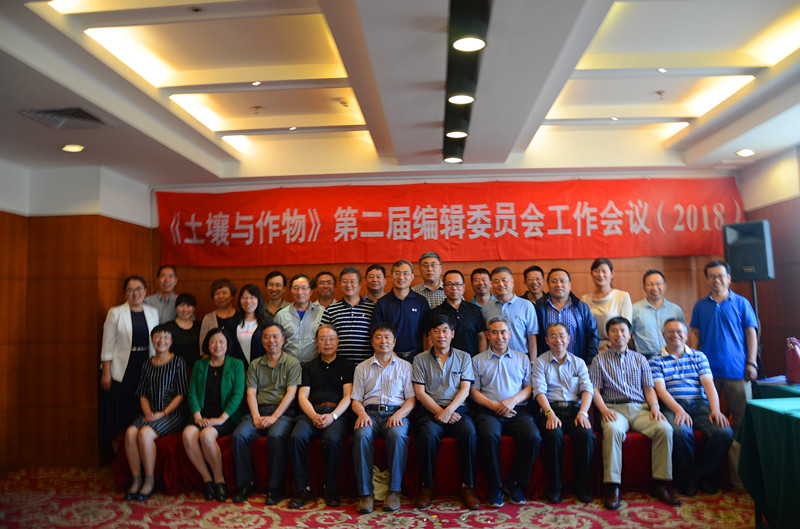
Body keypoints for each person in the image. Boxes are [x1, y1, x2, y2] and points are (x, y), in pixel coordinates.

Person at [590, 317, 679, 510]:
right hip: (614, 409)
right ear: (608, 335)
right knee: (612, 430)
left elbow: (648, 388)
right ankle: (613, 487)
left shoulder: (640, 359)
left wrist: (655, 406)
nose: (619, 334)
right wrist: (603, 410)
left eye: (623, 331)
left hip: (640, 409)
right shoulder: (598, 360)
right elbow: (594, 390)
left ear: (630, 335)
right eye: (614, 330)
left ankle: (660, 484)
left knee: (664, 429)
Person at [650, 319, 734, 496]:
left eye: (679, 331)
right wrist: (678, 410)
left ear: (686, 335)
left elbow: (708, 385)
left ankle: (706, 476)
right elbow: (660, 390)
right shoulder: (655, 359)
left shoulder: (699, 356)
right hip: (673, 405)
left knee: (724, 432)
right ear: (663, 335)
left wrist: (716, 410)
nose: (675, 335)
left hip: (699, 404)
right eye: (670, 331)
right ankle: (687, 479)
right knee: (680, 432)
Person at [470, 316, 541, 508]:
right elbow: (473, 392)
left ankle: (515, 482)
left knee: (533, 436)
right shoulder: (477, 360)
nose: (499, 336)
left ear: (509, 334)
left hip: (517, 409)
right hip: (488, 410)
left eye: (503, 332)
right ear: (488, 335)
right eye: (494, 332)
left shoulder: (522, 358)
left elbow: (528, 388)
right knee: (489, 435)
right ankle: (496, 487)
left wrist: (512, 401)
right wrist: (494, 406)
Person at [412, 314, 479, 510]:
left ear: (452, 334)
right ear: (430, 335)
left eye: (445, 331)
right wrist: (439, 412)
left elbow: (465, 389)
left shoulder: (464, 357)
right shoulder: (420, 359)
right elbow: (420, 393)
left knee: (469, 433)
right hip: (430, 410)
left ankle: (468, 486)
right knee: (427, 435)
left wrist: (448, 411)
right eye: (436, 331)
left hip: (457, 409)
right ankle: (427, 486)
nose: (441, 335)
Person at [231, 322, 301, 505]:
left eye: (275, 336)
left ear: (283, 340)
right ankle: (245, 485)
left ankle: (274, 488)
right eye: (267, 337)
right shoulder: (255, 364)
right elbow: (251, 393)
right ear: (262, 341)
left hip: (282, 413)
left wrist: (274, 417)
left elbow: (291, 394)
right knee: (239, 436)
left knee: (276, 436)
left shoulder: (292, 363)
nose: (271, 341)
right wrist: (256, 416)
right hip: (258, 410)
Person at [351, 323, 415, 514]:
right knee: (361, 436)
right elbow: (355, 399)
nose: (383, 341)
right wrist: (362, 414)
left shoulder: (405, 366)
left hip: (396, 413)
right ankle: (365, 493)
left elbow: (411, 399)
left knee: (398, 435)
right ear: (372, 342)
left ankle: (394, 491)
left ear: (394, 342)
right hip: (369, 413)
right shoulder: (362, 368)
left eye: (387, 337)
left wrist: (399, 414)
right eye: (378, 337)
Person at [288, 325, 355, 508]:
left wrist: (332, 416)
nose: (327, 343)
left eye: (331, 338)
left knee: (332, 440)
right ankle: (303, 489)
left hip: (337, 413)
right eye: (323, 339)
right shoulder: (308, 366)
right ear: (316, 342)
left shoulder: (347, 366)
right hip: (311, 411)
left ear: (338, 341)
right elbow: (302, 397)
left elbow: (348, 396)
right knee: (297, 437)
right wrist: (314, 416)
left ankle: (330, 488)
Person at [689, 260, 758, 434]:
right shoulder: (700, 305)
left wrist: (751, 362)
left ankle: (742, 450)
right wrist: (693, 363)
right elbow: (695, 334)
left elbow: (751, 333)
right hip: (707, 372)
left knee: (744, 419)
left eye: (720, 276)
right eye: (712, 276)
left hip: (737, 370)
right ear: (707, 280)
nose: (716, 280)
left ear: (728, 278)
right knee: (707, 418)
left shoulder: (742, 303)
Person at [531, 323, 595, 504]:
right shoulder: (540, 362)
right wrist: (549, 413)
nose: (557, 340)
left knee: (586, 436)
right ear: (546, 340)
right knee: (553, 436)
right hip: (550, 409)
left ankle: (582, 486)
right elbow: (539, 391)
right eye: (553, 336)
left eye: (561, 336)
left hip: (575, 410)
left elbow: (587, 390)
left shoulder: (578, 362)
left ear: (568, 339)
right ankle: (555, 487)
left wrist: (583, 413)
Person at [123, 325, 188, 501]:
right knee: (130, 432)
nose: (161, 340)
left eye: (166, 337)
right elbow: (142, 393)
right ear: (152, 340)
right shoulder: (147, 364)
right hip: (150, 412)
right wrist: (148, 412)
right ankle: (136, 479)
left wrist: (163, 413)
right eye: (158, 336)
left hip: (171, 413)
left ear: (171, 342)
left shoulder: (178, 362)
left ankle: (149, 480)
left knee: (145, 433)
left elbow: (181, 394)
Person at [182, 328, 245, 501]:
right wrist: (196, 416)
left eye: (221, 342)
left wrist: (221, 419)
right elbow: (192, 393)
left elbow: (238, 395)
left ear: (227, 345)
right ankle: (207, 480)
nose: (217, 345)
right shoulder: (199, 365)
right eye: (213, 342)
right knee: (188, 435)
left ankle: (219, 480)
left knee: (207, 435)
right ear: (207, 345)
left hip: (225, 415)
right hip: (202, 414)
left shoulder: (236, 364)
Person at [99, 276, 160, 447]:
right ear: (125, 293)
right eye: (130, 290)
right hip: (122, 369)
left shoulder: (152, 312)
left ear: (145, 291)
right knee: (119, 414)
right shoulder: (115, 312)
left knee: (140, 411)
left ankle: (136, 453)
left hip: (146, 367)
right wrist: (106, 373)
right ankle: (118, 455)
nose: (135, 293)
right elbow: (107, 345)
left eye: (139, 289)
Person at [535, 268, 598, 365]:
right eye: (554, 281)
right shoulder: (539, 308)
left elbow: (592, 335)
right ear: (548, 285)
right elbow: (535, 338)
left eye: (562, 281)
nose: (558, 285)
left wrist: (590, 361)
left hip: (577, 364)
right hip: (547, 365)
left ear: (569, 285)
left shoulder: (581, 307)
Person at [372, 260, 430, 359]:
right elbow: (376, 332)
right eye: (397, 273)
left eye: (406, 273)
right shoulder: (382, 303)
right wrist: (389, 354)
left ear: (412, 276)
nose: (401, 277)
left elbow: (426, 333)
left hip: (417, 357)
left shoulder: (421, 302)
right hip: (389, 356)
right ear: (391, 276)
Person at [481, 266, 538, 361]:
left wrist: (532, 362)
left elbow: (532, 337)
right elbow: (484, 337)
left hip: (521, 359)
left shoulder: (526, 306)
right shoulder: (486, 308)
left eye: (504, 280)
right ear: (491, 284)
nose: (501, 284)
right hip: (494, 359)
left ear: (512, 282)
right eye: (496, 281)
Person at [320, 267, 375, 364]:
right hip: (339, 366)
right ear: (340, 284)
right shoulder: (330, 310)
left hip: (367, 365)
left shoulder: (372, 308)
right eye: (344, 281)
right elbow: (322, 338)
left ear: (360, 284)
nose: (348, 285)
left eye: (352, 281)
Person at [428, 269, 486, 356]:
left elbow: (481, 337)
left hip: (471, 361)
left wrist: (480, 360)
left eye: (458, 284)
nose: (454, 288)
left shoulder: (474, 310)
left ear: (464, 287)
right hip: (444, 362)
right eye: (449, 284)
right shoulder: (435, 313)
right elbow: (430, 340)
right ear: (443, 287)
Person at [581, 258, 632, 352]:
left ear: (612, 274)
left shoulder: (622, 296)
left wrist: (606, 348)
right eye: (597, 271)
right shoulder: (585, 299)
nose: (600, 275)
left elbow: (626, 328)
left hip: (615, 348)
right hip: (590, 349)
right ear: (591, 274)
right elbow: (583, 329)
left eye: (604, 271)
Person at [631, 270, 685, 358]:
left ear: (665, 286)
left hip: (672, 356)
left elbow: (684, 334)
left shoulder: (676, 310)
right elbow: (627, 336)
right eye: (650, 284)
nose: (654, 288)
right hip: (645, 357)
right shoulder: (634, 309)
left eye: (658, 283)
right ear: (644, 287)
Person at [274, 274, 324, 363]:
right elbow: (276, 343)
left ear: (311, 291)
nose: (299, 292)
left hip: (314, 365)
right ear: (291, 290)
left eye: (304, 288)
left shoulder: (321, 312)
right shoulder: (281, 315)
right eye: (296, 288)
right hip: (288, 365)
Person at [228, 284, 271, 369]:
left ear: (258, 300)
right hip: (238, 370)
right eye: (244, 298)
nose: (248, 301)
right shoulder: (232, 323)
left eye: (252, 297)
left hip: (262, 369)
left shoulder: (267, 322)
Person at [163, 293, 201, 373]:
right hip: (173, 370)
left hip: (196, 370)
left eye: (189, 306)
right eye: (181, 305)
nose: (185, 309)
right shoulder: (168, 327)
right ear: (176, 308)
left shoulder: (200, 327)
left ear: (194, 308)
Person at [199, 279, 238, 354]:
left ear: (232, 295)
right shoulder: (208, 318)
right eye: (217, 293)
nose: (220, 296)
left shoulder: (241, 316)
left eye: (224, 293)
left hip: (239, 360)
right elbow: (203, 346)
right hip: (216, 360)